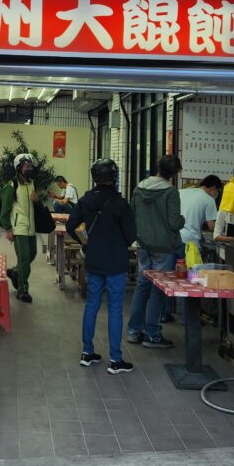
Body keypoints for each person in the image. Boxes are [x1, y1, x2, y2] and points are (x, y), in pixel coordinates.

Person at [67, 158, 137, 374]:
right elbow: (131, 235)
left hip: (94, 260)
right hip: (116, 262)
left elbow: (71, 225)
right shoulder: (120, 203)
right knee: (115, 308)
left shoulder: (86, 200)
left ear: (95, 177)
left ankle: (87, 353)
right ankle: (115, 360)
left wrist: (85, 242)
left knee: (92, 305)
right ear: (114, 178)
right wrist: (118, 244)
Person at [127, 155, 185, 349]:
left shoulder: (139, 187)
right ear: (174, 173)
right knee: (158, 290)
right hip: (164, 248)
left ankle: (134, 331)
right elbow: (174, 222)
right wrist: (183, 219)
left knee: (142, 285)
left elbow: (132, 214)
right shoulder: (170, 192)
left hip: (143, 245)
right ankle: (152, 334)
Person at [0, 152, 40, 303]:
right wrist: (8, 229)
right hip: (19, 227)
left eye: (30, 166)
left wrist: (37, 200)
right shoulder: (12, 185)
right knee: (24, 259)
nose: (29, 168)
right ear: (19, 167)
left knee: (32, 254)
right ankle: (23, 290)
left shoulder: (31, 183)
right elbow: (5, 209)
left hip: (31, 227)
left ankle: (15, 272)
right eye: (26, 166)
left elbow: (32, 204)